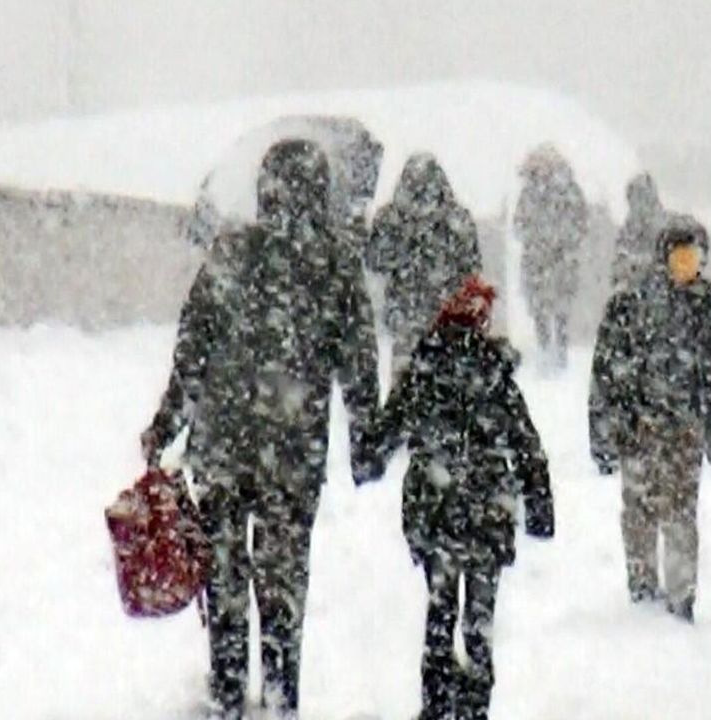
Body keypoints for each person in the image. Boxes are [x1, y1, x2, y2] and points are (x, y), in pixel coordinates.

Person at [141, 140, 381, 719]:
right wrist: (366, 438)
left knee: (224, 577)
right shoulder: (335, 266)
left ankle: (227, 693)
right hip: (293, 454)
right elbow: (359, 362)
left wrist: (167, 423)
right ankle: (280, 697)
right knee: (282, 583)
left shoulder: (231, 253)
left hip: (223, 448)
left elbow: (192, 350)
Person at [365, 275, 555, 720]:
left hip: (435, 513)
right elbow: (526, 443)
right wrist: (539, 503)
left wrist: (368, 457)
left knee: (440, 610)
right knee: (479, 620)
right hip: (488, 513)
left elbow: (386, 432)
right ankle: (474, 705)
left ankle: (435, 704)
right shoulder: (495, 374)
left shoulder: (424, 370)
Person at [588, 215, 711, 622]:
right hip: (638, 428)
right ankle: (642, 592)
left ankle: (681, 600)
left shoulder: (709, 309)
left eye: (693, 259)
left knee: (679, 514)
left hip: (684, 433)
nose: (686, 268)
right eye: (679, 259)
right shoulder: (631, 305)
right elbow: (606, 374)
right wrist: (605, 430)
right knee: (638, 512)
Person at [366, 153, 482, 370]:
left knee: (405, 388)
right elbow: (472, 267)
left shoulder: (391, 218)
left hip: (408, 317)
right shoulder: (457, 220)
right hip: (445, 321)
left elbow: (374, 260)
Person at [514, 144, 588, 369]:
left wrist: (558, 241)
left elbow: (580, 222)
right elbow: (519, 224)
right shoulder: (529, 193)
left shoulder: (568, 191)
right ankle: (545, 349)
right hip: (539, 261)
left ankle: (560, 351)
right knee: (540, 309)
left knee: (560, 308)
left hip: (559, 260)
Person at [610, 172, 667, 290]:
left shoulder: (666, 227)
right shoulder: (626, 232)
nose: (640, 205)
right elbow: (619, 264)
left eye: (644, 198)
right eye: (635, 199)